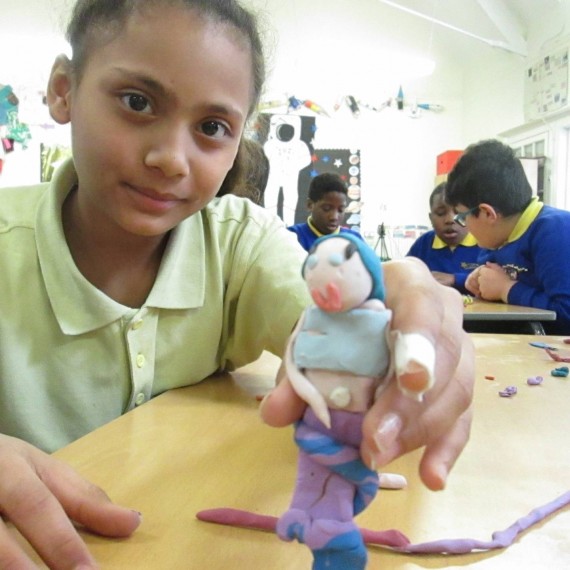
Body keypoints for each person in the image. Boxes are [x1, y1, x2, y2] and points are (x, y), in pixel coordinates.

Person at [0, 1, 474, 568]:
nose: (171, 159)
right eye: (137, 102)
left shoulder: (239, 243)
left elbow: (329, 325)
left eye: (211, 128)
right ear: (63, 90)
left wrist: (391, 329)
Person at [446, 139, 570, 334]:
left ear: (488, 214)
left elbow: (566, 313)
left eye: (462, 217)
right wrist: (479, 280)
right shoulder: (497, 238)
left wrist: (507, 289)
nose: (465, 227)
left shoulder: (555, 231)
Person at [406, 182, 481, 293]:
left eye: (458, 212)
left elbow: (496, 282)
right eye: (441, 213)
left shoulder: (484, 242)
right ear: (431, 219)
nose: (450, 220)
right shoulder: (423, 244)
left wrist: (455, 279)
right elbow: (405, 277)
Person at [287, 172, 363, 251]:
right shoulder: (291, 236)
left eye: (341, 210)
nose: (334, 217)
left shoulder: (355, 240)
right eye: (326, 208)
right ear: (310, 205)